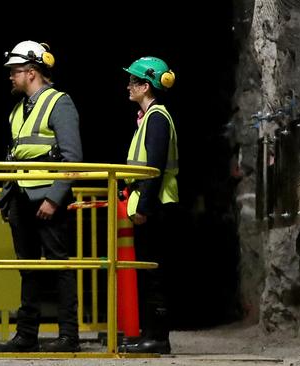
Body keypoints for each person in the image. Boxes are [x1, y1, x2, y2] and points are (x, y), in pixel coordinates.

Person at [0, 40, 83, 353]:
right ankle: (27, 335)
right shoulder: (18, 110)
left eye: (14, 71)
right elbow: (15, 156)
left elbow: (73, 158)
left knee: (59, 266)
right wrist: (7, 198)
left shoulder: (59, 103)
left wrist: (55, 198)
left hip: (47, 198)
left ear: (31, 72)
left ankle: (69, 335)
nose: (10, 77)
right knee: (27, 267)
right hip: (20, 196)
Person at [117, 56, 178, 354]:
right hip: (150, 204)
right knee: (149, 271)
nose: (128, 86)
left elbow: (153, 168)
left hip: (155, 206)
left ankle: (157, 338)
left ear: (145, 86)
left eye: (132, 81)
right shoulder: (149, 118)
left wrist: (144, 208)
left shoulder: (156, 118)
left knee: (154, 273)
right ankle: (149, 334)